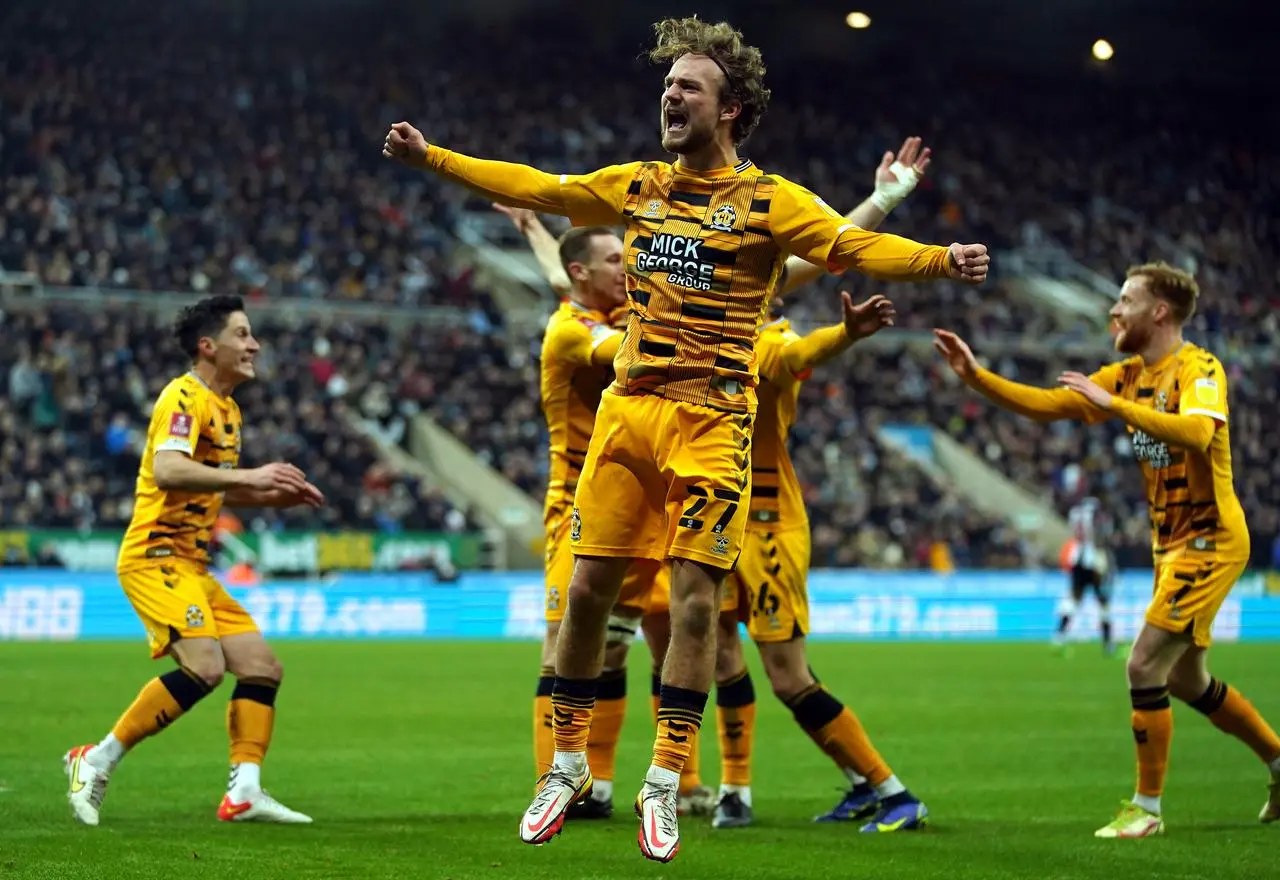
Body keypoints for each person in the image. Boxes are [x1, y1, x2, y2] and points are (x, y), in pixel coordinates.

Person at [385, 16, 987, 862]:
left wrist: (934, 258)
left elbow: (849, 248)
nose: (670, 95)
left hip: (711, 419)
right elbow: (540, 186)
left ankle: (666, 780)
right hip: (629, 408)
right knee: (589, 590)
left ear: (731, 109)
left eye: (688, 87)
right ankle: (565, 764)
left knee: (696, 602)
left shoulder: (773, 202)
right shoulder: (637, 185)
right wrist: (431, 158)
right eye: (667, 86)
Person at [933, 262, 1280, 838]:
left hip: (1210, 538)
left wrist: (1115, 406)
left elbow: (1198, 432)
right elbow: (1047, 404)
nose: (1113, 311)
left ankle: (1147, 810)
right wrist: (976, 377)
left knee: (1142, 663)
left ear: (1159, 312)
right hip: (1170, 546)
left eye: (1125, 301)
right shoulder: (1127, 375)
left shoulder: (1199, 368)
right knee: (1187, 680)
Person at [710, 138, 933, 833]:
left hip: (768, 526)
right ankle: (739, 791)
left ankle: (895, 791)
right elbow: (812, 253)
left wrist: (845, 333)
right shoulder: (709, 320)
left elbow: (817, 278)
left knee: (787, 677)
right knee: (719, 657)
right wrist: (885, 198)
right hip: (713, 521)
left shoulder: (767, 336)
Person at [495, 207, 721, 819]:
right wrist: (711, 307)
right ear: (585, 273)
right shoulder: (572, 329)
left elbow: (565, 273)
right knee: (562, 642)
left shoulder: (605, 304)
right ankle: (557, 785)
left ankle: (638, 782)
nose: (630, 268)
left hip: (638, 503)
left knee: (645, 637)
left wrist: (534, 232)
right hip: (575, 503)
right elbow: (623, 347)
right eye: (617, 261)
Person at [63, 295, 322, 827]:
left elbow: (209, 489)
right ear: (209, 346)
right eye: (242, 334)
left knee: (261, 668)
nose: (254, 344)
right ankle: (96, 759)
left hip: (193, 567)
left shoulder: (228, 408)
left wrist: (269, 497)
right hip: (154, 555)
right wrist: (251, 477)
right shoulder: (183, 397)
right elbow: (169, 472)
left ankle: (245, 792)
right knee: (204, 666)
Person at [1053, 494, 1117, 655]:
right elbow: (1100, 536)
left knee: (1074, 600)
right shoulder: (1096, 515)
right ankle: (1108, 644)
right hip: (1093, 560)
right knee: (1103, 602)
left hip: (1077, 559)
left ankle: (1058, 638)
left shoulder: (1075, 513)